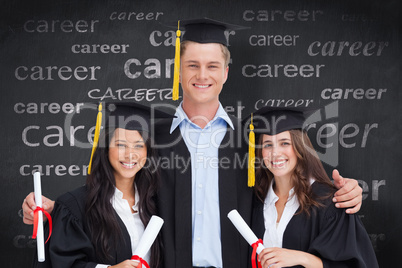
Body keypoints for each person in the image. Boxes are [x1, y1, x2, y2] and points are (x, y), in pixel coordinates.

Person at [23, 18, 363, 268]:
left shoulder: (251, 140)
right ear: (179, 70)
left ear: (226, 72)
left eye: (213, 65)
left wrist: (347, 191)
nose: (203, 75)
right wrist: (58, 210)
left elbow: (292, 177)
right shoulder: (150, 138)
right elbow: (116, 188)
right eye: (193, 65)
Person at [32, 102, 172, 268]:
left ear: (148, 151)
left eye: (139, 145)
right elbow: (61, 264)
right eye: (121, 145)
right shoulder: (75, 208)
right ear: (106, 148)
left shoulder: (158, 204)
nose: (130, 154)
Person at [247, 106, 378, 268]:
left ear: (300, 146)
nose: (275, 153)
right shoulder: (254, 200)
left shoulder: (329, 202)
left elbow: (352, 264)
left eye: (284, 143)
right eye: (267, 145)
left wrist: (302, 258)